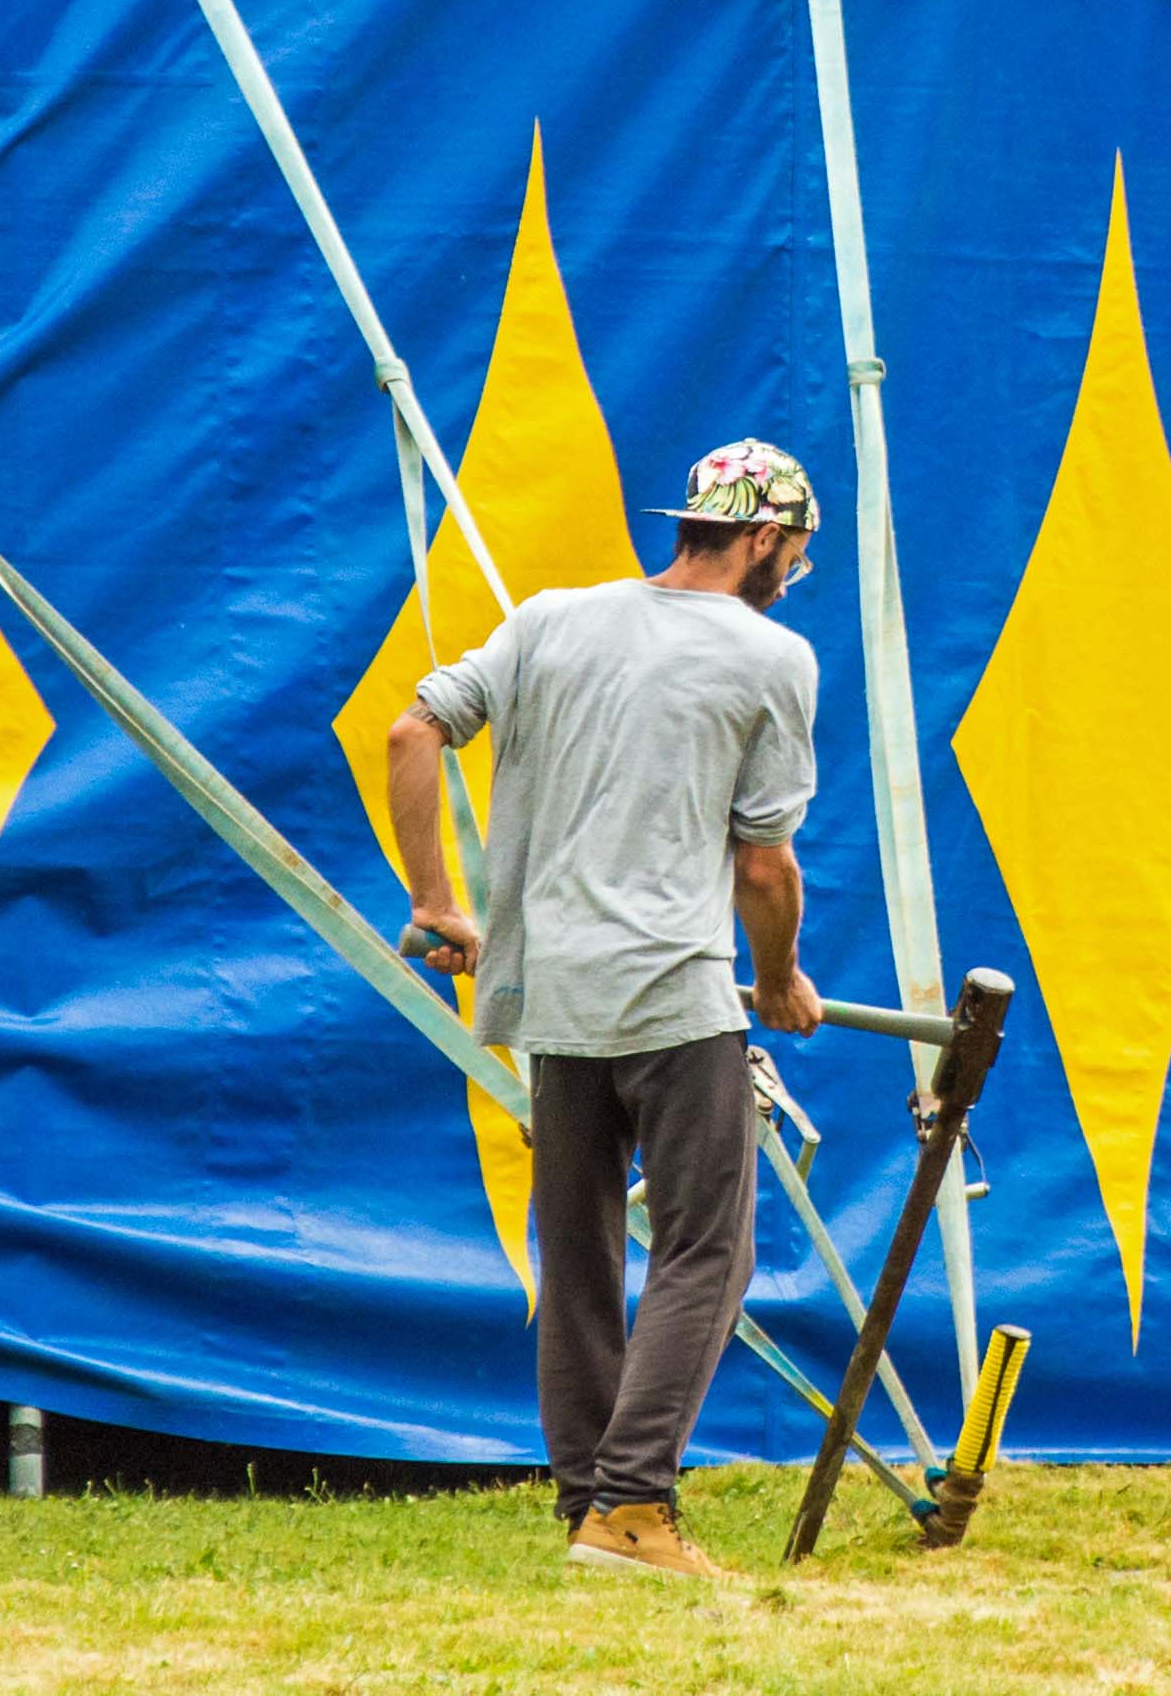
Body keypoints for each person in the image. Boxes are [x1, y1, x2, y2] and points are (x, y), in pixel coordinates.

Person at [387, 437, 829, 1580]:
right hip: (678, 995)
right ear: (766, 537)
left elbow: (412, 733)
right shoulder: (770, 654)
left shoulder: (549, 619)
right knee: (707, 1249)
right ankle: (633, 1506)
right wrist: (777, 978)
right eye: (795, 549)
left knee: (576, 1249)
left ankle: (590, 1499)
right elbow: (764, 867)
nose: (791, 569)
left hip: (552, 995)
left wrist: (440, 905)